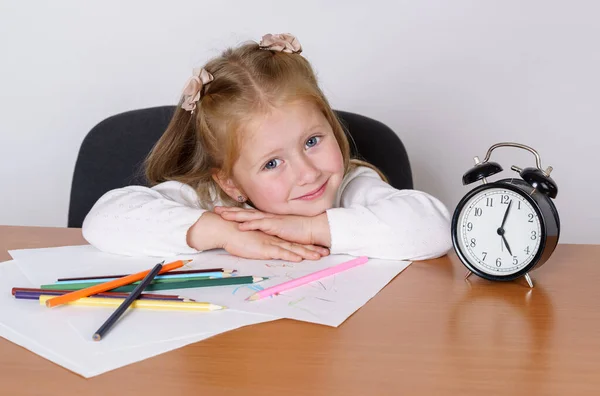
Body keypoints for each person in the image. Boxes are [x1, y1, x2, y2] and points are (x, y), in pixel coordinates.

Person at [82, 33, 452, 262]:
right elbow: (104, 220)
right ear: (231, 183)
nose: (308, 173)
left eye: (312, 141)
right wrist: (225, 234)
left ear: (329, 123)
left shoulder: (351, 185)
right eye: (272, 163)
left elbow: (434, 228)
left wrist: (311, 229)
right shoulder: (216, 201)